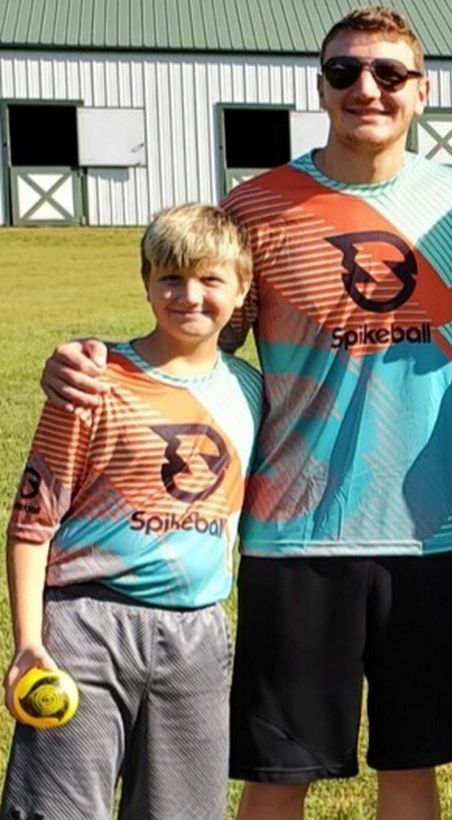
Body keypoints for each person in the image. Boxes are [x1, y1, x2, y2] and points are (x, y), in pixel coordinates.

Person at [40, 6, 452, 820]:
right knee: (279, 775)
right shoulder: (257, 208)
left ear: (422, 92)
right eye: (345, 71)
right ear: (320, 86)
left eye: (390, 73)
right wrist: (91, 362)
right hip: (295, 536)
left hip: (429, 535)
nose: (367, 88)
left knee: (413, 769)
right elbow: (195, 343)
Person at [3, 204, 262, 819]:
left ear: (242, 289)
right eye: (171, 278)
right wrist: (29, 642)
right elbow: (32, 522)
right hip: (85, 626)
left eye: (210, 280)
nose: (189, 296)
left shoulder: (252, 390)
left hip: (197, 634)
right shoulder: (92, 381)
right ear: (146, 281)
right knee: (57, 809)